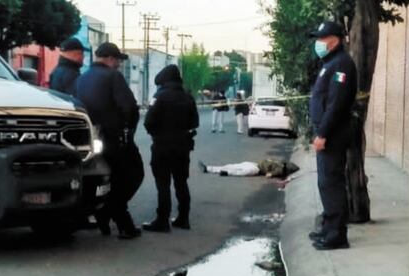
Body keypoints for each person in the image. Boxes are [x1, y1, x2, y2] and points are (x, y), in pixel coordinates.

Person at [76, 42, 143, 239]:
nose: (119, 65)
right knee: (131, 176)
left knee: (105, 179)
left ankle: (103, 217)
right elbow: (129, 107)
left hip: (92, 138)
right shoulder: (113, 76)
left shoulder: (82, 79)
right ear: (110, 59)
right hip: (114, 138)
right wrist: (129, 129)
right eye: (118, 61)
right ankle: (121, 221)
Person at [308, 21, 358, 250]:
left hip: (334, 134)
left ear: (334, 40)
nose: (318, 43)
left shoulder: (342, 64)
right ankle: (328, 229)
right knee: (325, 183)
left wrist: (323, 134)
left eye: (322, 38)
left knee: (332, 183)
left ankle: (337, 235)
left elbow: (336, 104)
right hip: (327, 133)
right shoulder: (330, 63)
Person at [143, 64, 199, 232]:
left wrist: (157, 135)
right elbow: (194, 123)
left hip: (162, 146)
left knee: (163, 183)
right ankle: (183, 218)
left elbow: (148, 122)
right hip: (182, 147)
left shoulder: (159, 97)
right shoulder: (188, 97)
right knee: (181, 182)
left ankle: (162, 220)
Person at [198, 158, 299, 178]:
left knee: (235, 170)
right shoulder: (281, 163)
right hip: (254, 164)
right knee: (231, 166)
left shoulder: (281, 168)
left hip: (256, 169)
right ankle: (208, 168)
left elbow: (277, 172)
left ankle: (208, 169)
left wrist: (271, 174)